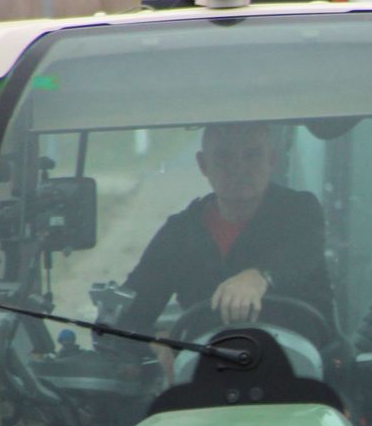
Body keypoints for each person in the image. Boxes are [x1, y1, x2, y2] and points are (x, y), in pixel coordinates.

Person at [119, 120, 334, 332]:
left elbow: (302, 254)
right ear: (203, 165)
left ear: (271, 159)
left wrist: (258, 277)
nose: (238, 168)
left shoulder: (300, 211)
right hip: (205, 364)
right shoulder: (181, 233)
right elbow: (127, 314)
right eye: (224, 157)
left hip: (304, 362)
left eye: (252, 155)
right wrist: (157, 343)